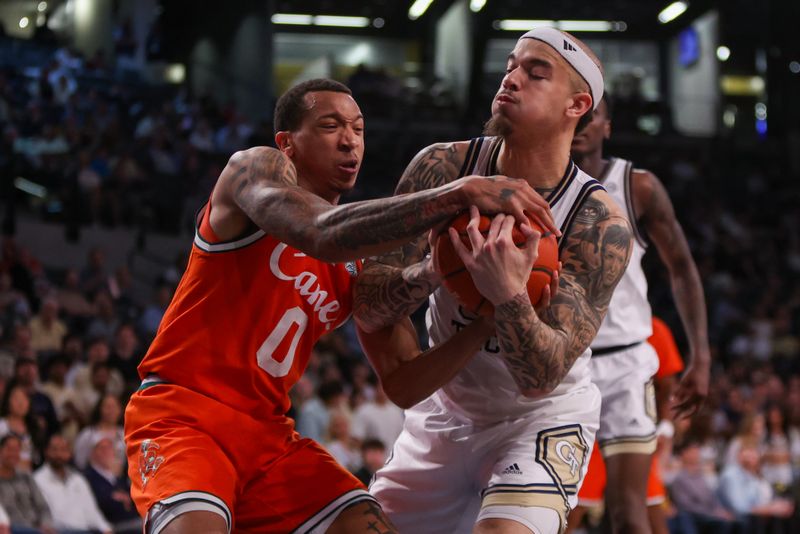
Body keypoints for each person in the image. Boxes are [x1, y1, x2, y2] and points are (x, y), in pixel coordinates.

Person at [124, 78, 556, 534]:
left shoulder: (361, 262)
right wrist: (456, 193)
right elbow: (321, 233)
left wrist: (484, 321)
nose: (350, 140)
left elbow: (404, 380)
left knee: (366, 525)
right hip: (183, 414)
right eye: (330, 126)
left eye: (358, 128)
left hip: (268, 434)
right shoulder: (252, 171)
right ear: (287, 143)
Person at [354, 29, 633, 533]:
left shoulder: (597, 222)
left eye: (535, 72)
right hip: (445, 413)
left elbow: (539, 378)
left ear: (577, 105)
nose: (511, 78)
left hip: (541, 418)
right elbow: (369, 307)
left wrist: (507, 295)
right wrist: (432, 270)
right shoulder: (443, 168)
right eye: (510, 65)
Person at [568, 94, 710, 533]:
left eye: (593, 117)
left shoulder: (637, 186)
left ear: (607, 126)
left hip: (627, 365)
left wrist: (701, 357)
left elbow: (683, 269)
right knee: (554, 510)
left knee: (630, 510)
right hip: (564, 362)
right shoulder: (533, 184)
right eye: (574, 114)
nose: (582, 124)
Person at [566, 316, 687, 534]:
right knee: (569, 513)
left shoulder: (653, 328)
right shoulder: (575, 314)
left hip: (629, 427)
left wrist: (666, 426)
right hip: (585, 430)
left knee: (650, 513)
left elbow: (668, 384)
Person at [32, 434, 112, 533]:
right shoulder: (37, 480)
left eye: (64, 450)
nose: (59, 454)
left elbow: (91, 511)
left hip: (85, 531)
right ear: (46, 452)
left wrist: (106, 528)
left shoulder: (78, 479)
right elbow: (42, 515)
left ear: (70, 453)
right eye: (54, 449)